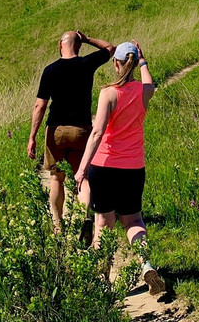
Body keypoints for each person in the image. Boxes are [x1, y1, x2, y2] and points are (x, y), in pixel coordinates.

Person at [75, 40, 165, 296]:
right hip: (134, 167)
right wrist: (144, 59)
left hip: (104, 167)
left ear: (115, 63)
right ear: (135, 63)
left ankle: (103, 281)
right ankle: (146, 264)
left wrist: (82, 170)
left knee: (103, 224)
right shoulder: (144, 91)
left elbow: (96, 133)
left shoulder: (109, 93)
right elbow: (149, 81)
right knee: (134, 220)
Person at [28, 30, 115, 233]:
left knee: (57, 178)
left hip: (56, 131)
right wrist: (88, 39)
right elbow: (110, 48)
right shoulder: (86, 64)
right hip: (82, 131)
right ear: (79, 46)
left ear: (60, 45)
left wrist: (32, 137)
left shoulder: (50, 70)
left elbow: (39, 107)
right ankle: (86, 215)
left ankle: (58, 226)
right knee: (82, 176)